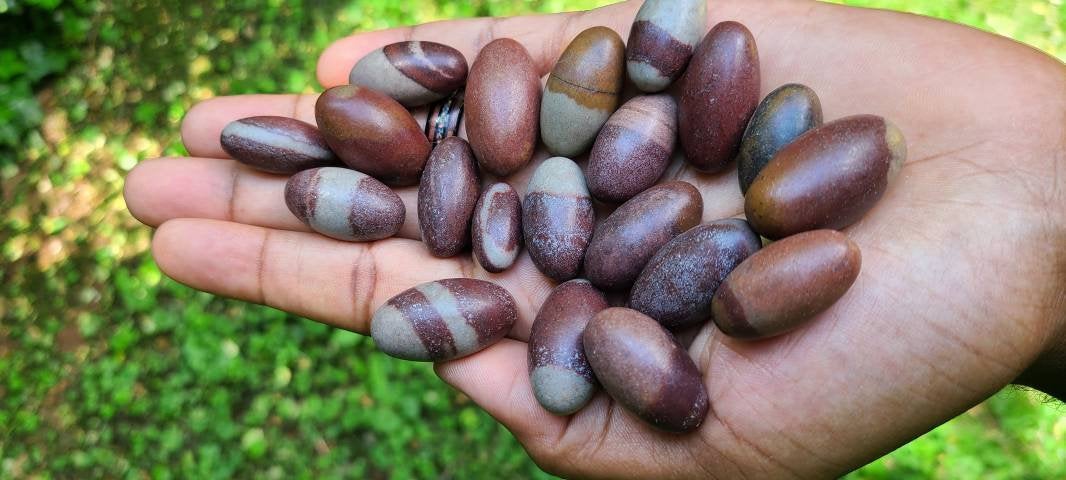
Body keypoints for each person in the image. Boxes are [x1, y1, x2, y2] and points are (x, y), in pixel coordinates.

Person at [123, 0, 1066, 477]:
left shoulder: (710, 210)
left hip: (663, 229)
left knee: (609, 240)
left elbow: (613, 253)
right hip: (618, 224)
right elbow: (577, 242)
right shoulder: (541, 176)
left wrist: (1037, 194)